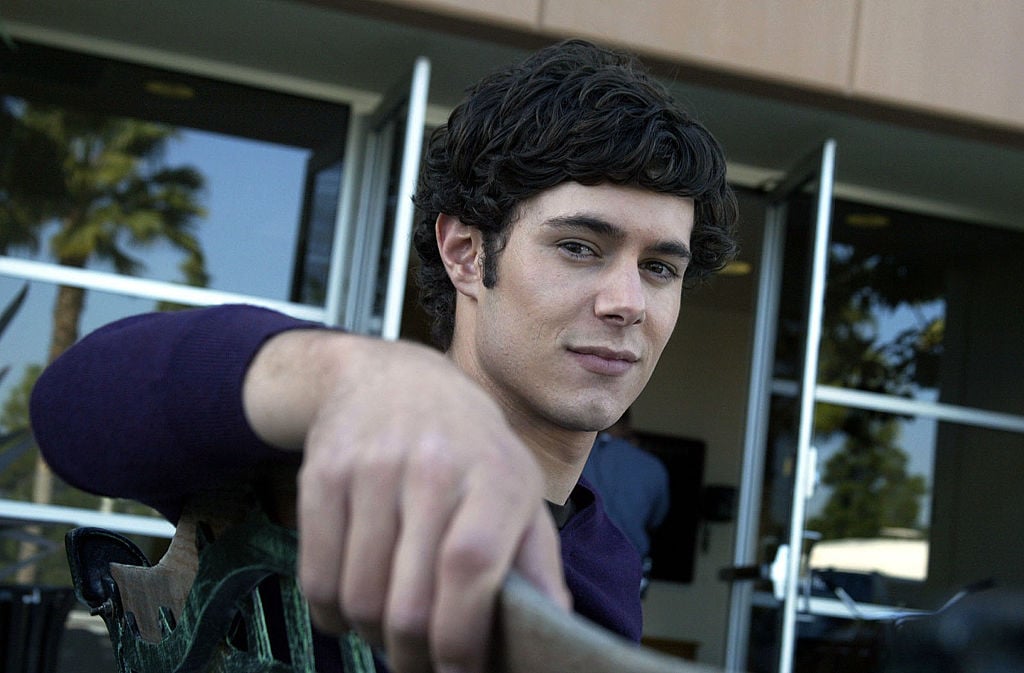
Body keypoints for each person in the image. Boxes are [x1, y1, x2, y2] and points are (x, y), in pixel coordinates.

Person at [30, 39, 738, 673]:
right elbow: (70, 408)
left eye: (660, 268)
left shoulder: (606, 564)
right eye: (580, 246)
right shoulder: (322, 457)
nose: (628, 302)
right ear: (465, 252)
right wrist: (344, 377)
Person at [583, 409, 670, 576]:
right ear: (627, 425)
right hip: (628, 562)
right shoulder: (653, 466)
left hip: (578, 557)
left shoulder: (576, 457)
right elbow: (657, 519)